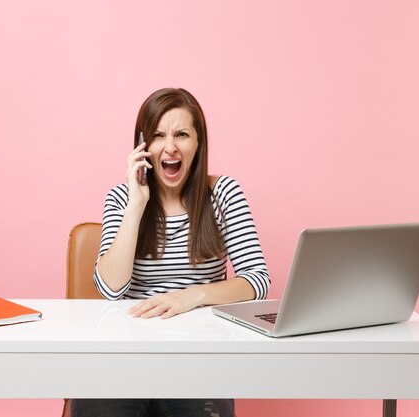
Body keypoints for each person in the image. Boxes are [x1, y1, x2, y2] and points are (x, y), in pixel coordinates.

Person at [71, 88, 270, 417]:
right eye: (158, 135)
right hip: (125, 356)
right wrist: (136, 204)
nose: (171, 146)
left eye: (182, 134)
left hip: (198, 356)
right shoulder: (122, 198)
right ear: (143, 145)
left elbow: (256, 281)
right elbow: (110, 288)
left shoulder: (222, 193)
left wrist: (190, 297)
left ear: (198, 143)